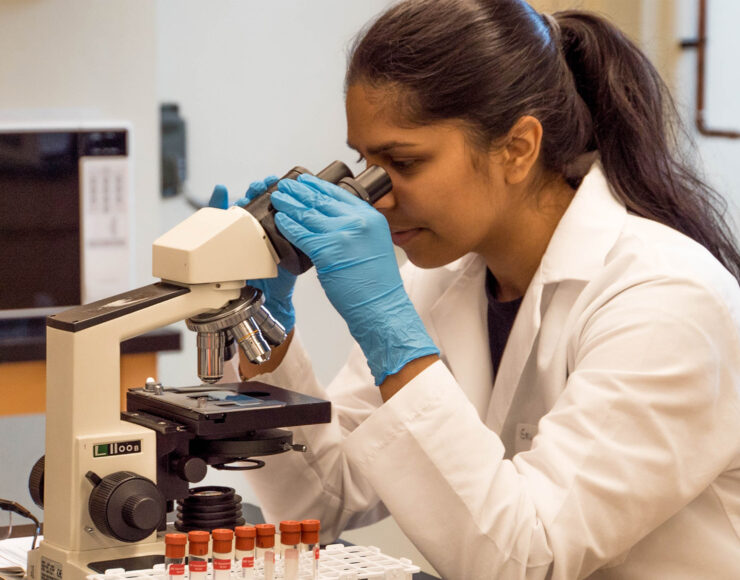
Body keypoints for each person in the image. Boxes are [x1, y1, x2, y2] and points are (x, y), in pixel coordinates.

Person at [209, 1, 740, 577]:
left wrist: (391, 336)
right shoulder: (438, 281)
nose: (374, 196)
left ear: (517, 148)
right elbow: (322, 500)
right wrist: (264, 327)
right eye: (364, 162)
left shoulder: (665, 300)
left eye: (403, 162)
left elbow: (527, 559)